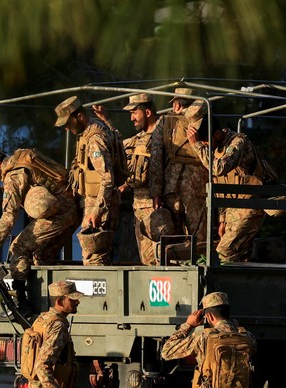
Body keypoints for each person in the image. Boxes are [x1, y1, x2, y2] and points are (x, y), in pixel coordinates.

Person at [0, 129, 79, 315]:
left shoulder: (12, 178)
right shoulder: (17, 159)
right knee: (41, 255)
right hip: (72, 208)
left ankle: (21, 303)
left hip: (57, 214)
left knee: (18, 248)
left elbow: (9, 215)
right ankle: (53, 305)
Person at [93, 94, 172, 265]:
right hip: (139, 207)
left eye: (135, 113)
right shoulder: (139, 139)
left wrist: (157, 194)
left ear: (148, 112)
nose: (132, 118)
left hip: (155, 206)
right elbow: (118, 145)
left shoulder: (164, 135)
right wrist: (106, 120)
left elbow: (159, 167)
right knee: (147, 259)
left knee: (160, 257)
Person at [186, 106, 271, 262]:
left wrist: (196, 144)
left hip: (249, 208)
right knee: (239, 256)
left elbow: (219, 168)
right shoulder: (216, 149)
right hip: (233, 209)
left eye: (206, 142)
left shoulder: (238, 143)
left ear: (217, 134)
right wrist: (222, 220)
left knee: (222, 254)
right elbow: (222, 186)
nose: (204, 146)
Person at [54, 96, 122, 265]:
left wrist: (97, 211)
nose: (67, 129)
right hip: (95, 202)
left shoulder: (94, 139)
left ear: (80, 117)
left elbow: (107, 178)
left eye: (68, 124)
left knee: (94, 258)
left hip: (99, 204)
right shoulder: (95, 130)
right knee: (97, 256)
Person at [150, 87, 210, 251]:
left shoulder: (164, 122)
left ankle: (171, 273)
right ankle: (199, 273)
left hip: (171, 189)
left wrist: (156, 192)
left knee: (170, 241)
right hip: (199, 188)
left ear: (176, 104)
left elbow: (155, 158)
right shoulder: (206, 120)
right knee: (199, 240)